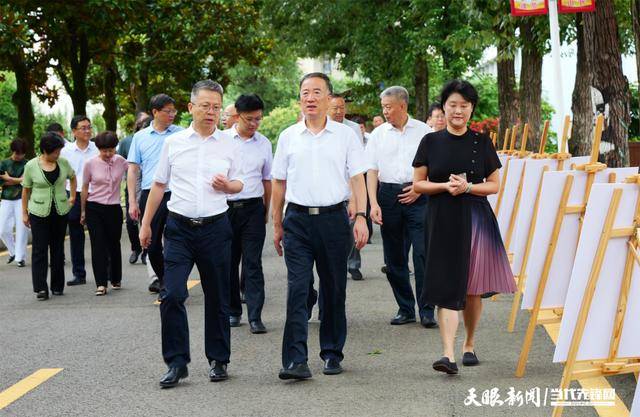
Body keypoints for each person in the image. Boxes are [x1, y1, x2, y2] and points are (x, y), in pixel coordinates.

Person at [140, 79, 244, 388]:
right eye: (205, 106)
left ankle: (219, 359)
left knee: (217, 296)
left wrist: (227, 186)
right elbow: (159, 184)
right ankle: (176, 362)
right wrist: (145, 224)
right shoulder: (174, 143)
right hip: (179, 228)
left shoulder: (229, 143)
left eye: (216, 107)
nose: (211, 112)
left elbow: (239, 184)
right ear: (191, 108)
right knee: (171, 293)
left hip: (216, 228)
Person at [412, 80, 516, 375]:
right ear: (443, 107)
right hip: (441, 216)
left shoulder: (481, 142)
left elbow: (494, 184)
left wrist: (469, 186)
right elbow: (418, 182)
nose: (458, 111)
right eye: (453, 105)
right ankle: (448, 354)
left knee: (471, 288)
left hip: (475, 217)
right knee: (446, 283)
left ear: (472, 109)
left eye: (464, 106)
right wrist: (445, 185)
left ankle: (468, 343)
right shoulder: (430, 142)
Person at [272, 72, 369, 380]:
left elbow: (357, 178)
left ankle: (332, 352)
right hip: (297, 220)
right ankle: (295, 360)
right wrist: (276, 224)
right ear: (299, 99)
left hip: (333, 220)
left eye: (317, 92)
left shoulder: (346, 136)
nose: (310, 98)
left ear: (329, 98)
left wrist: (362, 217)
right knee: (297, 289)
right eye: (305, 93)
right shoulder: (288, 136)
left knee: (333, 288)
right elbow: (278, 182)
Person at [366, 86, 437, 329]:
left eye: (388, 107)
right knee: (394, 256)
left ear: (403, 106)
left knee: (422, 253)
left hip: (418, 194)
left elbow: (434, 167)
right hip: (388, 196)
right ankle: (405, 308)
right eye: (383, 107)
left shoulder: (424, 131)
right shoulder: (378, 135)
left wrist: (419, 188)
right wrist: (373, 203)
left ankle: (427, 310)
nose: (385, 111)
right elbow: (371, 170)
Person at [226, 94, 273, 334]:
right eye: (249, 119)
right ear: (237, 115)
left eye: (258, 119)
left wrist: (267, 209)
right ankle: (234, 311)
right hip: (225, 210)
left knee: (253, 263)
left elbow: (267, 179)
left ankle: (255, 315)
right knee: (229, 262)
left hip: (253, 208)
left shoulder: (264, 143)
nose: (254, 124)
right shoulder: (221, 140)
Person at [128, 94, 183, 295]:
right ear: (155, 112)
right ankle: (164, 280)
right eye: (167, 111)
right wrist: (133, 202)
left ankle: (173, 284)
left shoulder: (181, 134)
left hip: (176, 192)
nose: (172, 115)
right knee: (151, 244)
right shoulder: (140, 137)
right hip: (151, 194)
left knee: (175, 241)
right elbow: (133, 170)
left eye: (173, 111)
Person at [21, 133, 76, 300]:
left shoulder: (63, 163)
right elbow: (26, 189)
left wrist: (72, 197)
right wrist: (24, 212)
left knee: (58, 249)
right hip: (38, 212)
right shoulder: (31, 165)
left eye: (59, 151)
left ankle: (57, 286)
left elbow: (72, 178)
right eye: (55, 152)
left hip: (60, 211)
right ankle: (40, 288)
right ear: (45, 150)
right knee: (39, 249)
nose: (58, 154)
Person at [81, 131, 128, 296]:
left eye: (111, 150)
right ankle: (101, 283)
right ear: (98, 149)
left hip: (114, 208)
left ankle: (115, 278)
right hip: (94, 207)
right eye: (104, 151)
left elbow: (133, 175)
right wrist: (83, 210)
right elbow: (85, 187)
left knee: (113, 244)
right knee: (98, 244)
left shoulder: (122, 162)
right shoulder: (90, 163)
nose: (108, 154)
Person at [328, 94, 366, 281]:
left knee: (353, 226)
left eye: (341, 107)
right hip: (330, 185)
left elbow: (357, 163)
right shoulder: (321, 126)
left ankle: (353, 264)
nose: (338, 111)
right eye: (335, 107)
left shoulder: (352, 129)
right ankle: (335, 265)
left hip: (350, 183)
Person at [61, 115, 99, 286]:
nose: (87, 131)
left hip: (96, 195)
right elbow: (62, 176)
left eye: (89, 127)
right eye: (83, 128)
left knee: (99, 235)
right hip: (74, 195)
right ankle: (79, 274)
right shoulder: (65, 151)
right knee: (76, 236)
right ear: (74, 131)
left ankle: (103, 272)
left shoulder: (98, 148)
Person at [118, 113, 149, 264]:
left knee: (147, 219)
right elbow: (122, 164)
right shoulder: (126, 142)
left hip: (149, 186)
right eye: (142, 121)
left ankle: (146, 251)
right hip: (132, 184)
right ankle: (135, 248)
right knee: (131, 221)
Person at [0, 139, 28, 267]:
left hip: (22, 198)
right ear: (13, 151)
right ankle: (12, 251)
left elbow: (26, 181)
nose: (19, 156)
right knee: (2, 229)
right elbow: (2, 181)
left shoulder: (28, 164)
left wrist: (9, 179)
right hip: (6, 198)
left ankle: (20, 257)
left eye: (22, 154)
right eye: (17, 153)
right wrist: (18, 180)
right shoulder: (4, 163)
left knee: (22, 227)